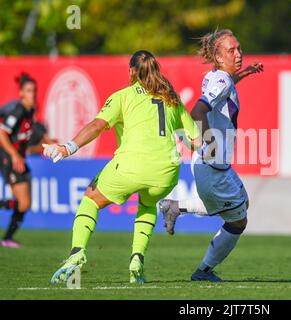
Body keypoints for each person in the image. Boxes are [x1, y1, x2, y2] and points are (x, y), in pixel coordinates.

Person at [44, 50, 201, 284]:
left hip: (132, 166)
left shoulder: (123, 96)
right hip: (167, 171)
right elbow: (196, 141)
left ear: (131, 72)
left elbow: (97, 125)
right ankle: (137, 259)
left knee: (91, 199)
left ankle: (76, 253)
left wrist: (68, 147)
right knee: (147, 204)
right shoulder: (172, 99)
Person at [159, 29, 263, 282]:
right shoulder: (222, 80)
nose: (238, 54)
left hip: (210, 165)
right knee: (238, 222)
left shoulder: (217, 77)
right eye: (231, 50)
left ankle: (175, 207)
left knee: (241, 204)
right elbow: (198, 110)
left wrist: (245, 73)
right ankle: (203, 271)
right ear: (217, 56)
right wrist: (210, 143)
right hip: (213, 167)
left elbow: (222, 90)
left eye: (239, 49)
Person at [0, 73, 54, 248]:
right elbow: (2, 133)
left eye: (34, 90)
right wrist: (14, 155)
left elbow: (29, 143)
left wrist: (47, 146)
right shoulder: (18, 110)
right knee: (23, 203)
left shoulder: (31, 113)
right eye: (29, 91)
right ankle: (7, 238)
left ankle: (7, 238)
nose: (33, 94)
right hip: (9, 158)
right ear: (22, 93)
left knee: (25, 204)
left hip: (19, 159)